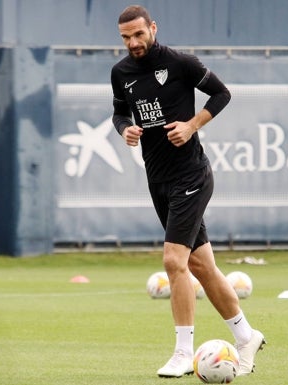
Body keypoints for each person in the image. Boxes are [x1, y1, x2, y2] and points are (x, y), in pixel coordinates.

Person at [110, 5, 265, 378]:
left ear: (152, 29)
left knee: (173, 262)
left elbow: (221, 93)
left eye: (138, 34)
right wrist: (125, 129)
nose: (133, 43)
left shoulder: (181, 63)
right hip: (158, 179)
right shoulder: (121, 73)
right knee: (202, 266)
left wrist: (192, 125)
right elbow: (119, 111)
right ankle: (246, 336)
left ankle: (183, 352)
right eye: (126, 38)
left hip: (191, 175)